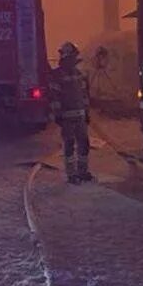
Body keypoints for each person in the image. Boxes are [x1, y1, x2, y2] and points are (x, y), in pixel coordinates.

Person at [50, 41, 92, 184]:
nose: (75, 60)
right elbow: (54, 96)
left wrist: (86, 112)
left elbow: (85, 95)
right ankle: (71, 174)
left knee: (84, 143)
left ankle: (83, 171)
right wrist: (57, 114)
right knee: (69, 144)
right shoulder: (56, 75)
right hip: (67, 117)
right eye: (73, 56)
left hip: (80, 116)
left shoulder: (80, 74)